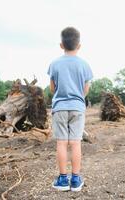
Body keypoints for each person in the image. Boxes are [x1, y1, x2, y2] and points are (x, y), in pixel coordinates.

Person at [47, 27, 93, 192]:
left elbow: (52, 88)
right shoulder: (84, 65)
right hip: (77, 107)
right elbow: (85, 89)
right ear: (79, 45)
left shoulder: (54, 64)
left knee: (61, 142)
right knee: (75, 143)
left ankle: (62, 180)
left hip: (59, 107)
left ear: (61, 45)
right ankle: (75, 180)